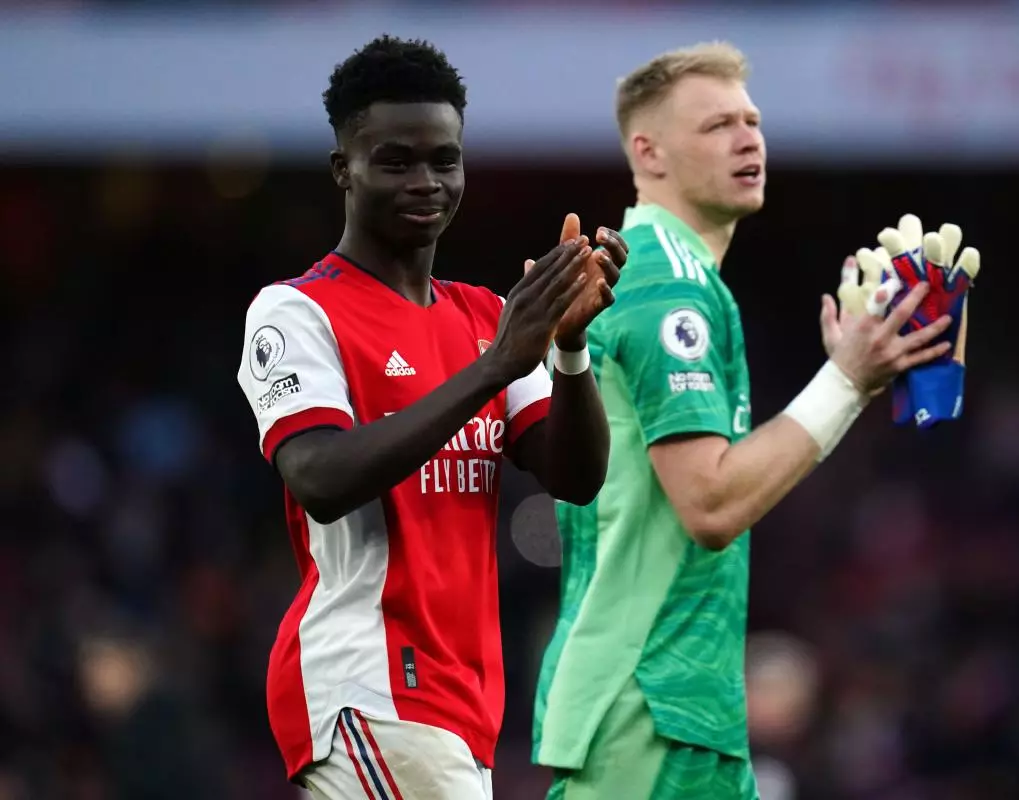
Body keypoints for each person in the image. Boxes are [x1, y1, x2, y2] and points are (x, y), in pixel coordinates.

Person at [532, 41, 955, 799]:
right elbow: (711, 503)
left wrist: (851, 379)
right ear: (648, 151)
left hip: (678, 708)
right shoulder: (666, 286)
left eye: (752, 121)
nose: (747, 138)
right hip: (650, 708)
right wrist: (847, 381)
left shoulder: (682, 278)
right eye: (717, 124)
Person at [236, 35, 627, 800]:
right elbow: (318, 475)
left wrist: (570, 349)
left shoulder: (484, 316)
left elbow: (577, 478)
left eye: (444, 160)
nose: (427, 181)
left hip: (460, 700)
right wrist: (494, 368)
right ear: (342, 169)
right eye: (395, 160)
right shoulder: (296, 310)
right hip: (369, 682)